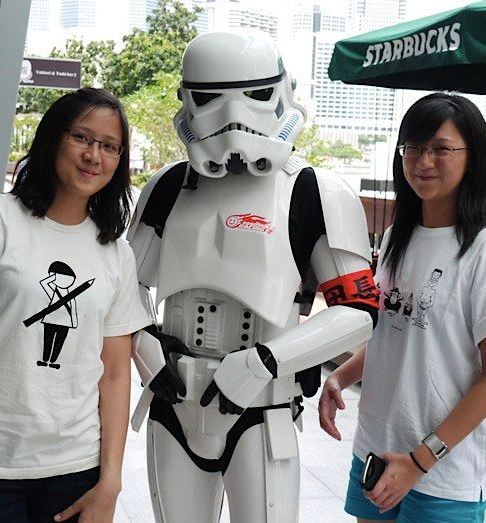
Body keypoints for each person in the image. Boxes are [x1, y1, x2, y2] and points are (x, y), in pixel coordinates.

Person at [127, 31, 380, 522]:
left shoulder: (315, 191)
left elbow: (359, 312)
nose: (233, 116)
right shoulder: (167, 187)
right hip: (174, 401)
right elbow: (123, 284)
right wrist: (147, 349)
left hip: (263, 410)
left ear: (283, 91)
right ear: (188, 99)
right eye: (211, 98)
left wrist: (266, 362)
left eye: (255, 95)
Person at [0, 87, 151, 523]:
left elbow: (114, 372)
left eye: (110, 146)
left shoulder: (116, 254)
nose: (94, 155)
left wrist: (110, 480)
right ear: (53, 138)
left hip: (75, 469)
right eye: (82, 137)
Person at [318, 92, 486, 522]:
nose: (424, 161)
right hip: (377, 447)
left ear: (473, 158)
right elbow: (395, 334)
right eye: (413, 147)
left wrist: (420, 460)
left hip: (443, 473)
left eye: (441, 149)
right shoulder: (398, 237)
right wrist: (341, 376)